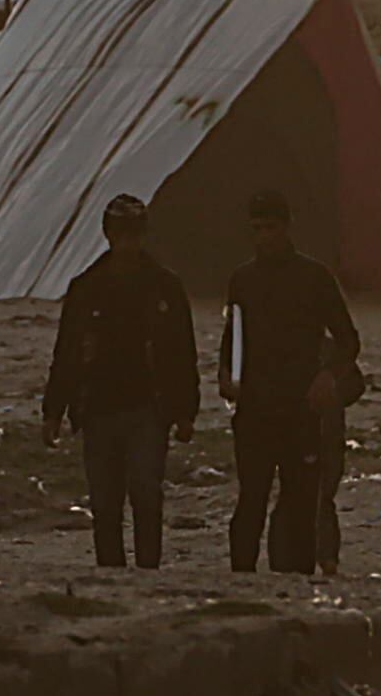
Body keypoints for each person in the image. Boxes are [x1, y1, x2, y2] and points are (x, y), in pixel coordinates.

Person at [41, 191, 197, 569]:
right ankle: (111, 572)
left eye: (135, 233)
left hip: (148, 407)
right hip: (99, 408)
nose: (129, 242)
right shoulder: (87, 288)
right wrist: (54, 411)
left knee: (146, 494)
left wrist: (185, 410)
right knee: (106, 502)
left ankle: (148, 570)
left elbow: (182, 352)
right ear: (109, 234)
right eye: (122, 233)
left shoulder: (164, 287)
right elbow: (67, 355)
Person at [218, 188, 361, 577]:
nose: (264, 236)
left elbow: (348, 339)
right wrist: (227, 379)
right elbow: (234, 338)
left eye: (270, 228)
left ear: (286, 228)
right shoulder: (243, 280)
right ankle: (242, 578)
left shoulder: (314, 278)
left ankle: (297, 580)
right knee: (252, 499)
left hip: (301, 409)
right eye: (257, 229)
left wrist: (328, 375)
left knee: (301, 501)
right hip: (256, 410)